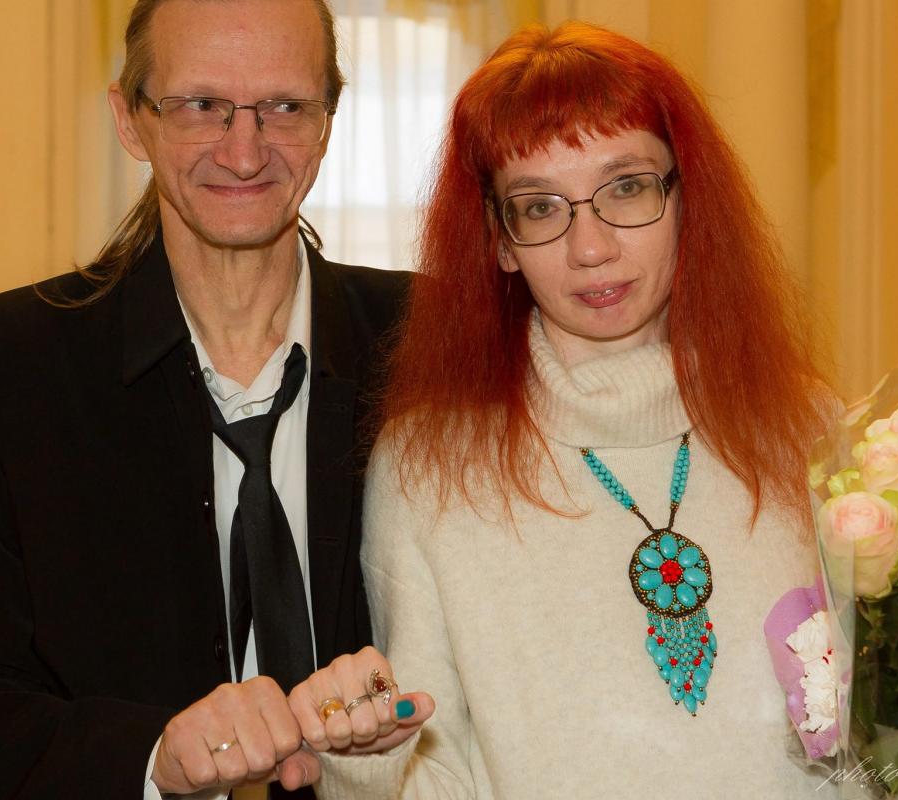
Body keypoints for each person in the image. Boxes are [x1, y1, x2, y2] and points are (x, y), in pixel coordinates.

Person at [284, 21, 835, 798]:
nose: (591, 248)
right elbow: (438, 774)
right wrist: (366, 763)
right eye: (541, 207)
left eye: (627, 187)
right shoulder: (429, 469)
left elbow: (881, 744)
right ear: (500, 242)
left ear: (687, 197)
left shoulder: (807, 426)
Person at [0, 0, 408, 797]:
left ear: (328, 122)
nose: (244, 151)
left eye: (284, 106)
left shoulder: (436, 347)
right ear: (130, 120)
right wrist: (154, 759)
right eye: (201, 105)